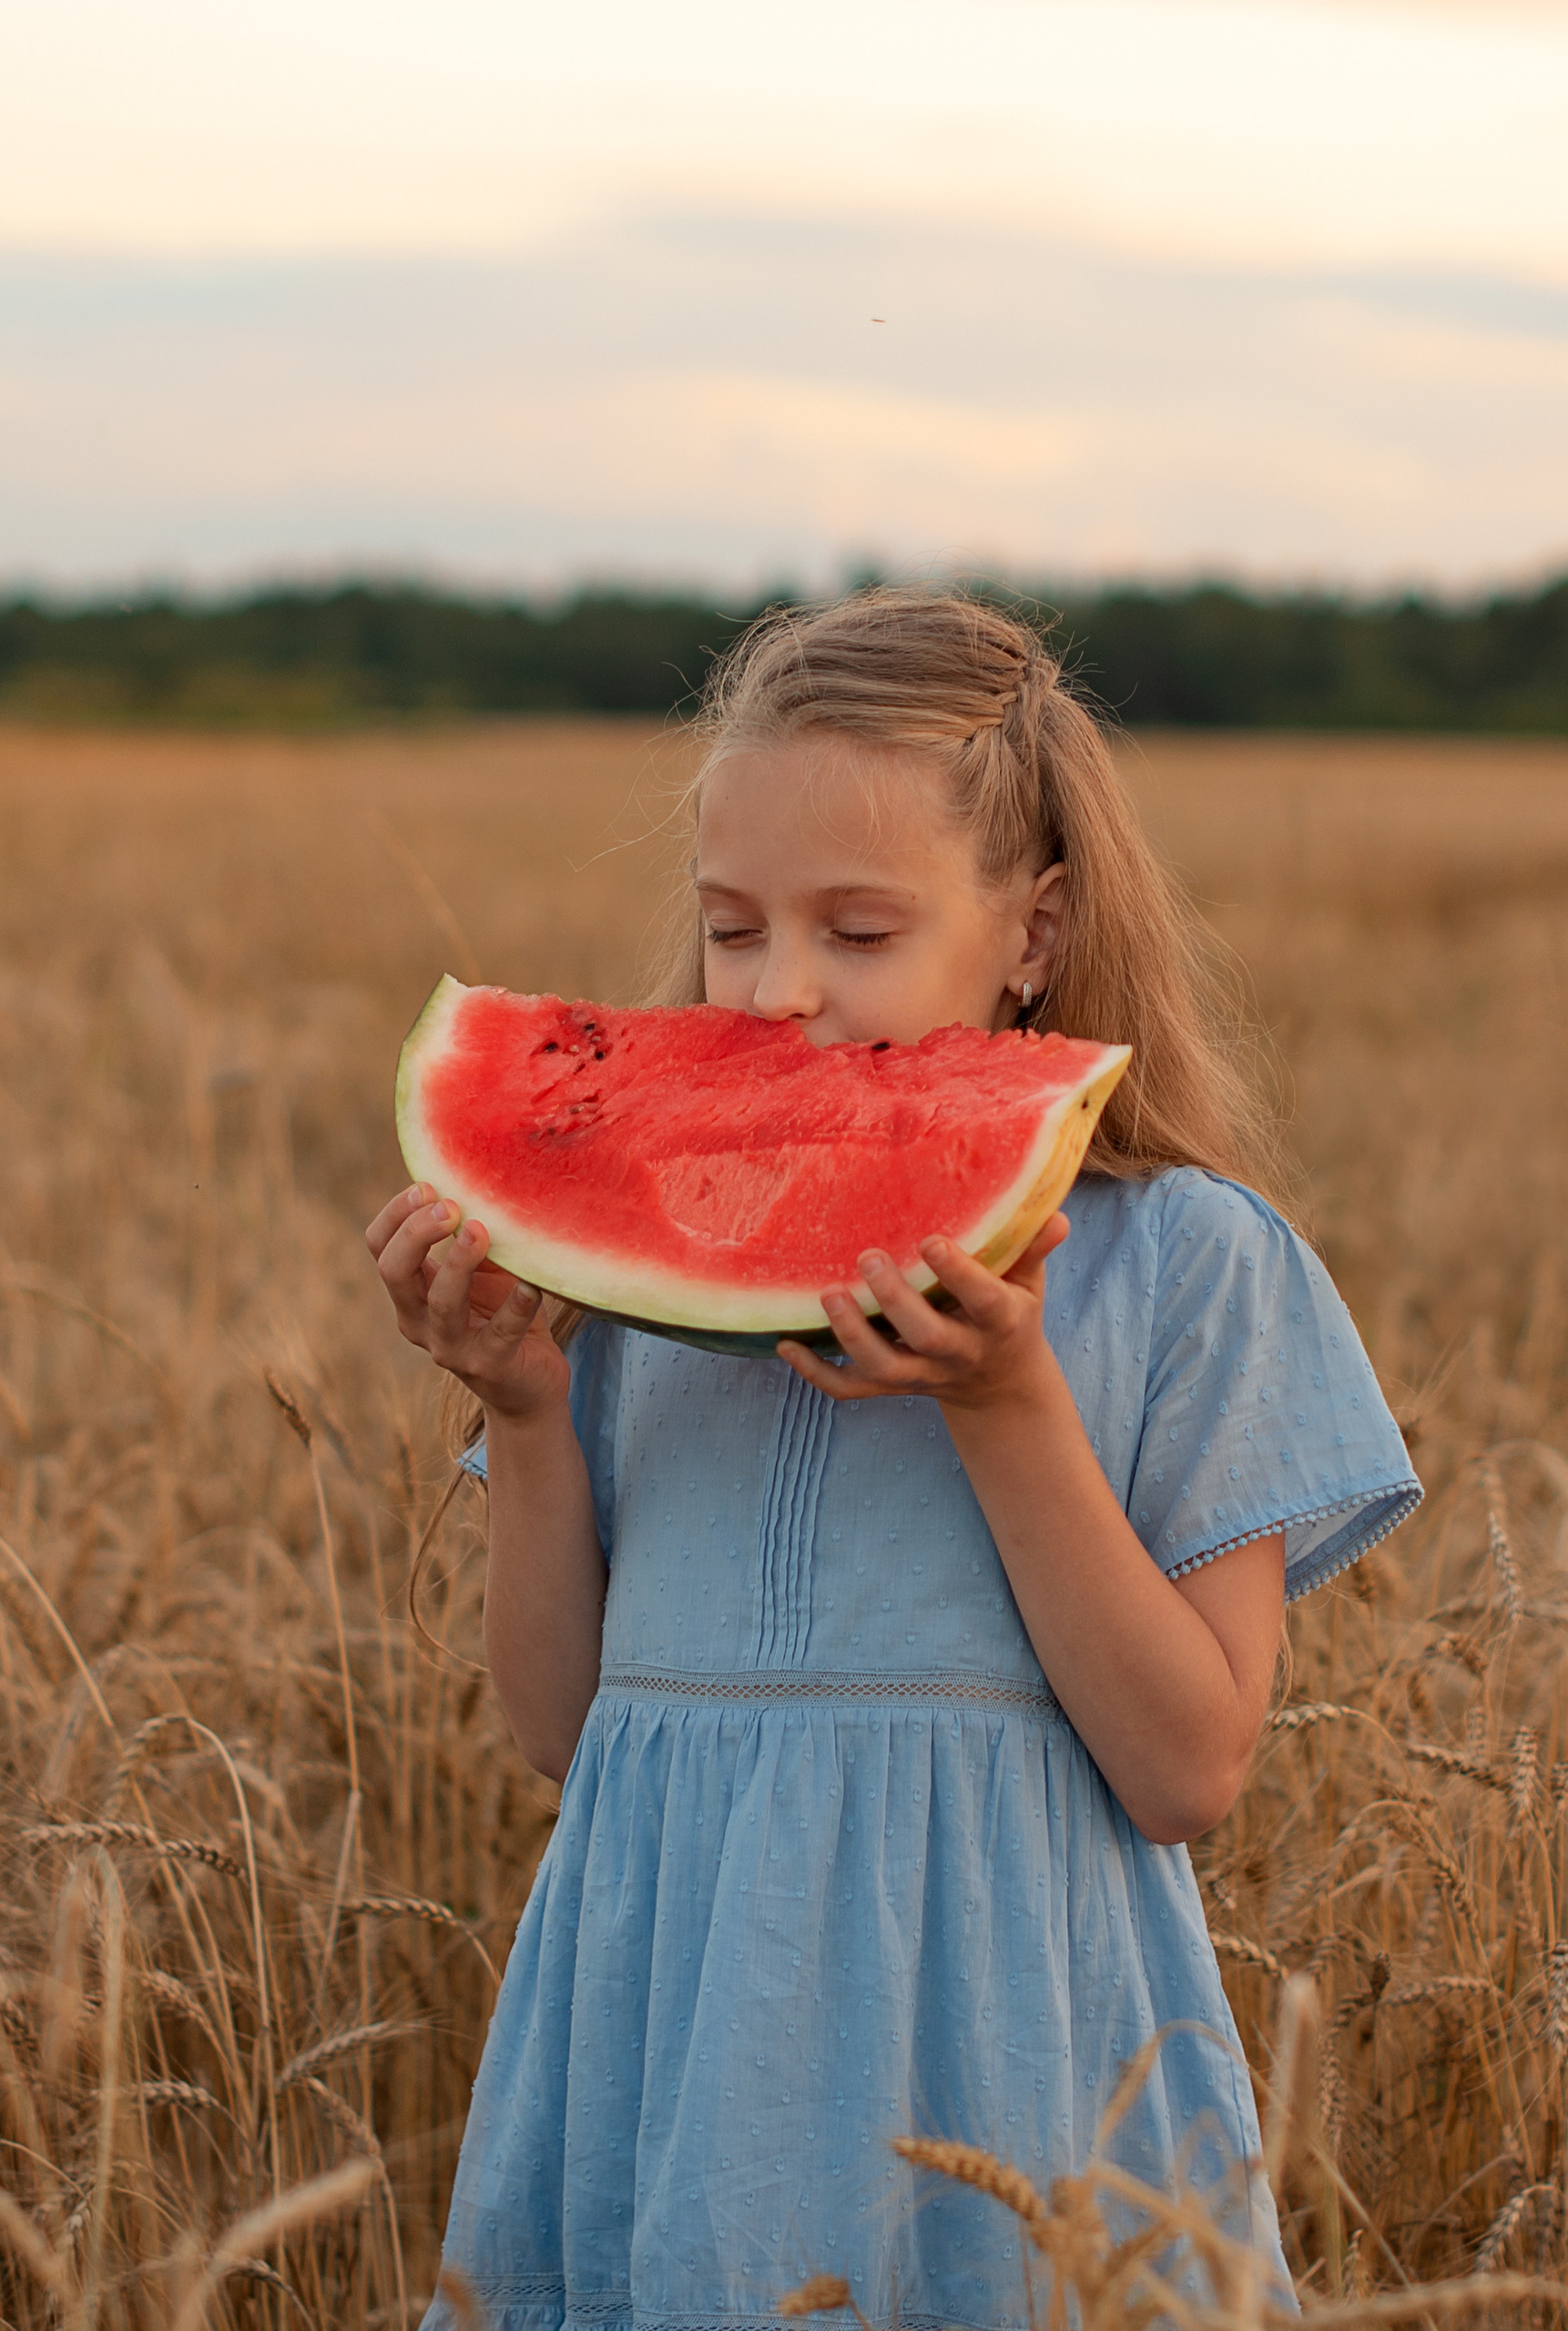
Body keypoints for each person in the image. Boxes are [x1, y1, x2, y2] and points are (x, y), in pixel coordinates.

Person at [364, 588, 1421, 2328]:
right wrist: (533, 1417)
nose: (779, 994)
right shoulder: (633, 1297)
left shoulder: (1188, 1264)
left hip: (1004, 2066)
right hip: (672, 2038)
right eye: (729, 931)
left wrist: (1010, 1412)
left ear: (1035, 927)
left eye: (858, 933)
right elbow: (562, 1734)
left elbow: (1185, 1767)